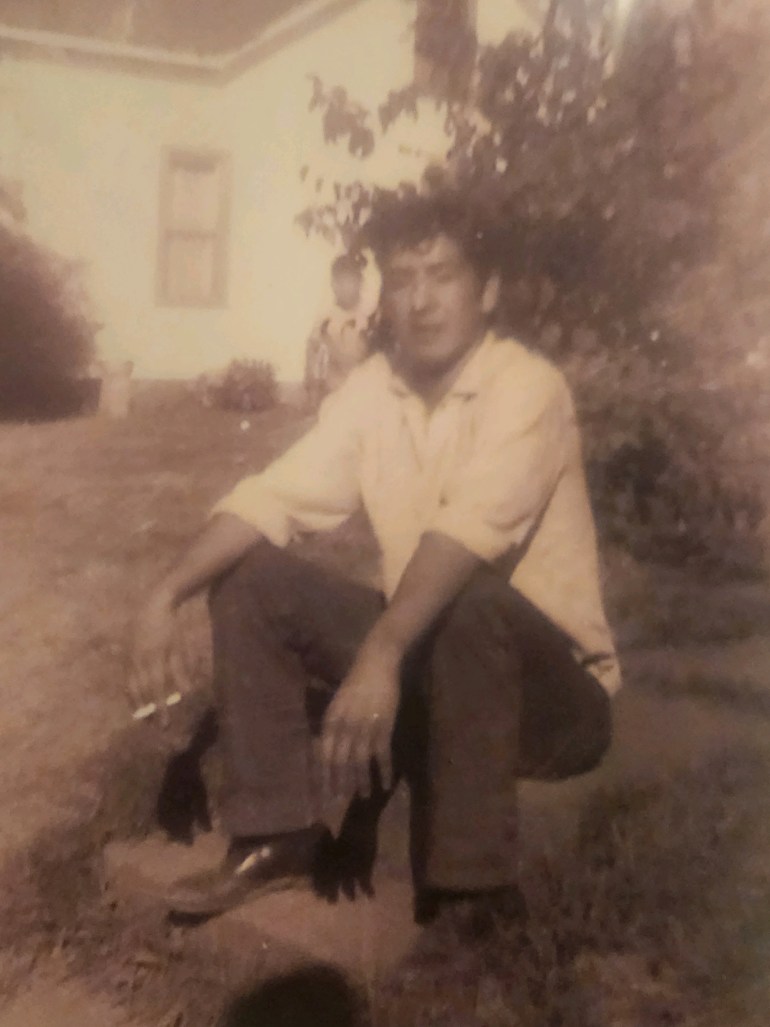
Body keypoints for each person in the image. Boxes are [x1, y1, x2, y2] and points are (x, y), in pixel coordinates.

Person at [128, 190, 619, 923]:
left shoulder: (527, 388)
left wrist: (382, 653)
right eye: (402, 278)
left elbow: (466, 535)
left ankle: (468, 889)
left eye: (442, 274)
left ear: (486, 290)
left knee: (468, 594)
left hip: (552, 699)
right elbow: (275, 496)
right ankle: (275, 835)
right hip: (433, 658)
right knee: (252, 577)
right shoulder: (373, 389)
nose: (419, 301)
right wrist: (163, 595)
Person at [303, 253, 371, 410]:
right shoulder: (326, 320)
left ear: (360, 283)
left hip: (365, 397)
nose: (347, 287)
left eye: (352, 281)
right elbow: (313, 354)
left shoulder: (367, 319)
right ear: (334, 285)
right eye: (341, 282)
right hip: (335, 395)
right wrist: (313, 388)